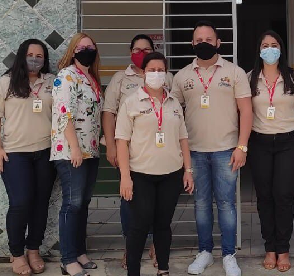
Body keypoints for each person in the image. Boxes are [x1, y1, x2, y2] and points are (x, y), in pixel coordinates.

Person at [170, 21, 252, 276]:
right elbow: (174, 113)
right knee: (201, 204)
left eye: (208, 39)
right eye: (199, 40)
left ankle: (229, 255)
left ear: (218, 43)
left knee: (226, 204)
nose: (203, 43)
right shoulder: (182, 76)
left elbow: (246, 110)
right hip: (194, 151)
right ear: (192, 44)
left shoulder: (235, 72)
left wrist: (242, 146)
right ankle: (205, 252)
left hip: (226, 149)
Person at [115, 51, 194, 276]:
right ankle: (133, 271)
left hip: (171, 174)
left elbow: (183, 138)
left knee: (163, 224)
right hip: (141, 175)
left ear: (166, 73)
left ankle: (163, 269)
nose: (156, 74)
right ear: (143, 73)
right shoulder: (131, 102)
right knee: (139, 225)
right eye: (152, 70)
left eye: (160, 70)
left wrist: (188, 170)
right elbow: (122, 141)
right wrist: (125, 177)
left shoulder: (174, 103)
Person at [0, 39, 56, 276]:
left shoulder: (51, 82)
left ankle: (33, 250)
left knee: (40, 203)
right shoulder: (6, 82)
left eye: (39, 56)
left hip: (46, 152)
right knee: (21, 203)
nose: (35, 59)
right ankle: (16, 253)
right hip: (15, 154)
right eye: (30, 55)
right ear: (21, 56)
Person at [102, 34, 173, 269]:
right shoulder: (120, 79)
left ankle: (156, 246)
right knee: (131, 203)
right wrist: (111, 145)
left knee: (158, 207)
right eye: (137, 49)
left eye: (146, 49)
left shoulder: (166, 77)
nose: (141, 53)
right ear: (130, 51)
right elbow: (109, 112)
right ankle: (130, 248)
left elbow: (174, 108)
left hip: (162, 156)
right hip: (132, 156)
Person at [247, 31, 294, 273]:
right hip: (259, 142)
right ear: (259, 50)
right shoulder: (250, 78)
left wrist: (282, 125)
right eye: (265, 45)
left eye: (274, 45)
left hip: (287, 142)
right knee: (264, 197)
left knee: (283, 195)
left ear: (281, 49)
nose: (269, 49)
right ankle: (269, 247)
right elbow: (245, 110)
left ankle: (283, 248)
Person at [51, 33, 103, 276]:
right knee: (72, 204)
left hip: (90, 150)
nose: (86, 50)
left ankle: (80, 252)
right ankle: (68, 258)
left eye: (90, 47)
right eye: (81, 47)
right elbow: (64, 114)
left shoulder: (91, 78)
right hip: (71, 151)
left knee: (83, 204)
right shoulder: (66, 76)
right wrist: (74, 148)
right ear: (73, 51)